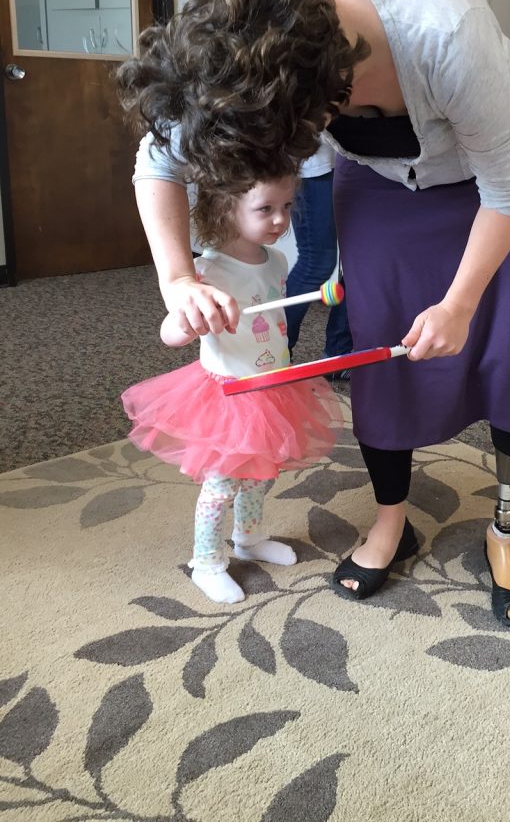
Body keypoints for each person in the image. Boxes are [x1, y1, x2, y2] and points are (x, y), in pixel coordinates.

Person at [119, 0, 510, 629]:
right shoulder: (243, 62)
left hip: (499, 180)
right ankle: (391, 523)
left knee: (501, 347)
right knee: (382, 347)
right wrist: (177, 278)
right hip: (385, 184)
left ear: (317, 103)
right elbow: (159, 159)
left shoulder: (441, 30)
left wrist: (459, 301)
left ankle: (505, 531)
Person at [121, 170, 343, 604]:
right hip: (230, 395)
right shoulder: (206, 270)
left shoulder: (276, 261)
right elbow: (171, 332)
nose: (280, 220)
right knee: (223, 485)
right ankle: (206, 562)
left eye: (286, 208)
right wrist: (182, 322)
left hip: (274, 386)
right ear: (226, 209)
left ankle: (249, 537)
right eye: (266, 209)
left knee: (263, 474)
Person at [272, 0, 383, 372]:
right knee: (317, 261)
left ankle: (339, 355)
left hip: (346, 149)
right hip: (313, 151)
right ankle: (270, 354)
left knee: (353, 261)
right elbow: (290, 67)